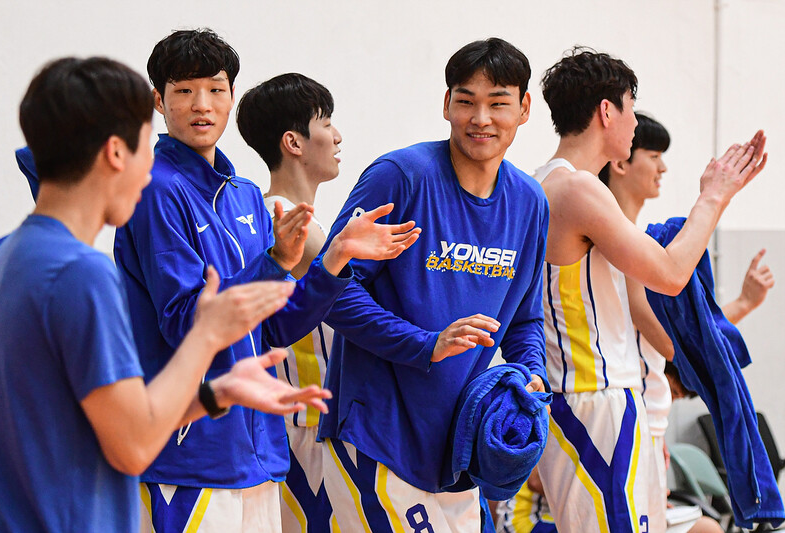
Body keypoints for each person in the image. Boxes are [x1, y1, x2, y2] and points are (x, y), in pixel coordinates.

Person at [0, 56, 332, 532]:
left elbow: (120, 419)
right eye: (146, 145)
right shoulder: (80, 273)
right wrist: (207, 336)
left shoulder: (5, 256)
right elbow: (133, 444)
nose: (153, 164)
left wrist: (217, 392)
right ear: (116, 152)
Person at [113, 29, 420, 532]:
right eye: (184, 91)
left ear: (231, 96)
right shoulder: (155, 189)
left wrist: (334, 259)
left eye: (214, 90)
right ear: (159, 102)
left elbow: (273, 327)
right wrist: (274, 261)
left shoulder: (243, 195)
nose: (201, 105)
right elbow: (187, 323)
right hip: (187, 458)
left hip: (257, 456)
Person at [317, 37, 548, 532]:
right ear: (446, 104)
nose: (480, 118)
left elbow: (525, 318)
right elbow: (331, 289)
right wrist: (426, 344)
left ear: (524, 109)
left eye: (498, 103)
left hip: (462, 446)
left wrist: (531, 373)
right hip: (378, 434)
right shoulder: (400, 176)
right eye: (466, 101)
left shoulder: (530, 202)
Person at [535, 47, 766, 533]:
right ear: (607, 111)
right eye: (632, 109)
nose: (635, 122)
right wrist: (714, 196)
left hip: (596, 397)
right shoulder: (578, 189)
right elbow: (671, 273)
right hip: (592, 396)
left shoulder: (547, 182)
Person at [236, 72, 344, 532]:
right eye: (327, 123)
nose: (337, 137)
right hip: (304, 426)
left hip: (303, 422)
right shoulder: (285, 217)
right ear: (293, 142)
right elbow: (363, 303)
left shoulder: (284, 215)